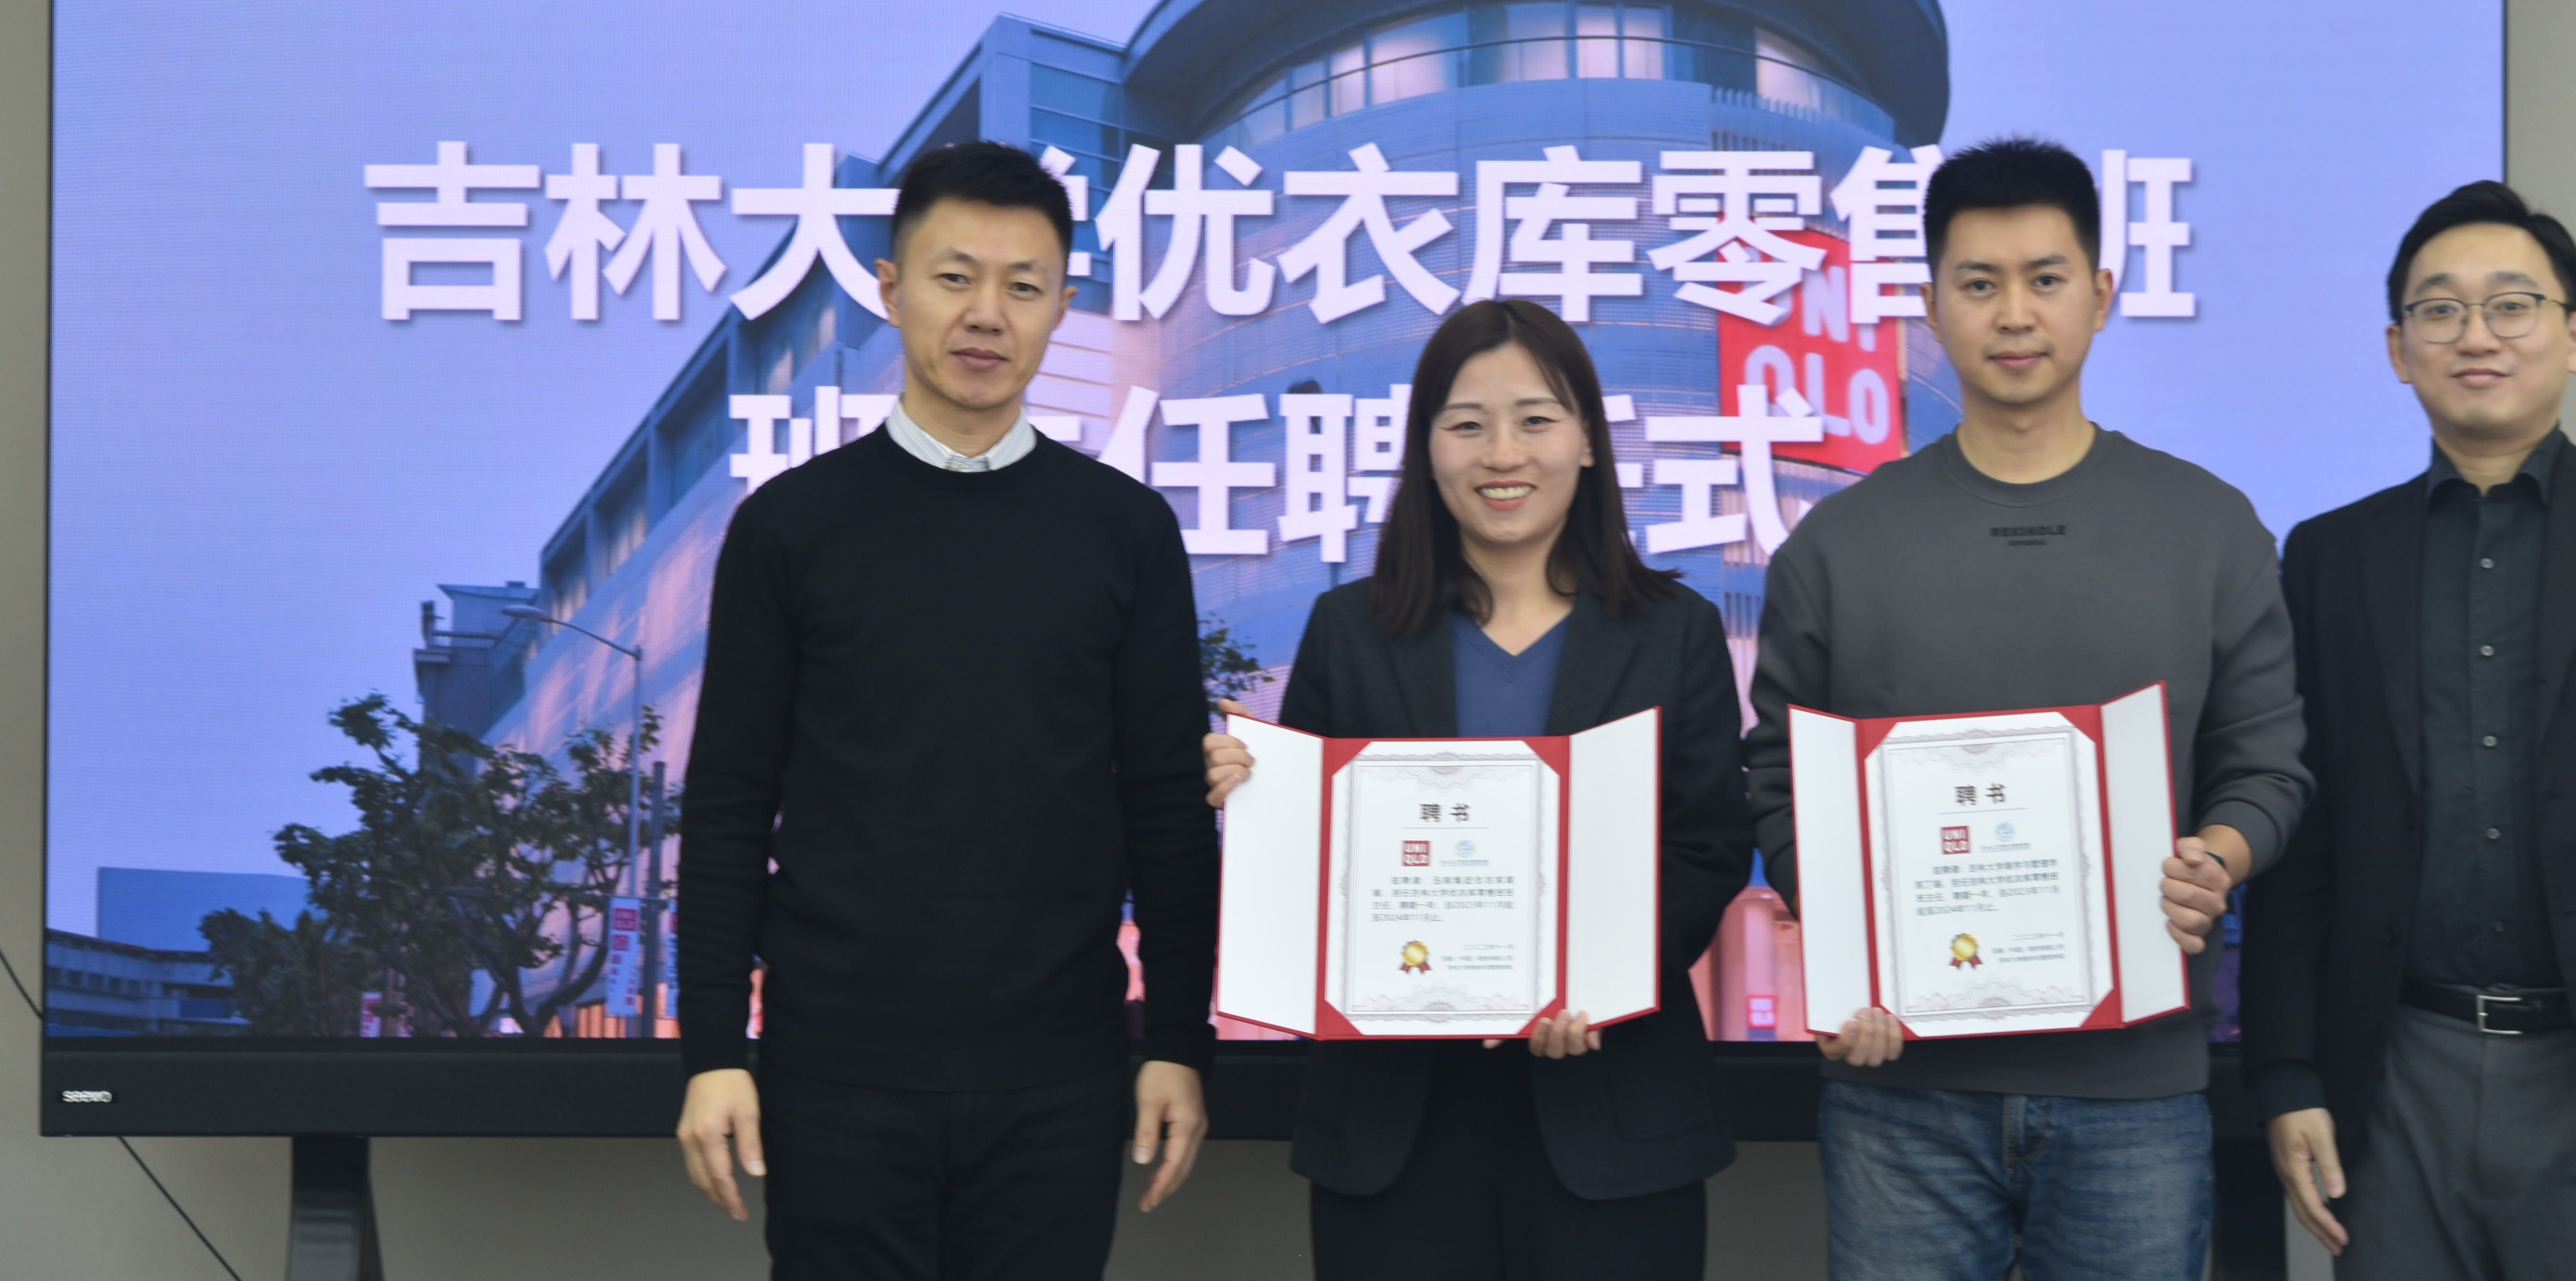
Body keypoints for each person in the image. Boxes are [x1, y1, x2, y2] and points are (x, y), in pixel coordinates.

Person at [1745, 135, 2311, 1281]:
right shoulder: (1839, 546)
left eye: (2044, 279)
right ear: (1928, 307)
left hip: (2135, 1087)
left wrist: (2217, 854)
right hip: (1902, 1090)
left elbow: (2266, 762)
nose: (2013, 313)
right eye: (1978, 282)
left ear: (2099, 295)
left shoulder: (2205, 526)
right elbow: (1776, 776)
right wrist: (1847, 935)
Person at [672, 140, 1219, 1280]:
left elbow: (1166, 803)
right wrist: (713, 1048)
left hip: (1060, 1076)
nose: (987, 314)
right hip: (835, 1074)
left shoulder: (1124, 531)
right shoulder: (790, 527)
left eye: (1024, 285)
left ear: (1061, 306)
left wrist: (1178, 1038)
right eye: (954, 276)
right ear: (891, 288)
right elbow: (727, 804)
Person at [2241, 180, 2576, 1278]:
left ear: (2574, 334)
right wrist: (2286, 1074)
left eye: (2510, 304)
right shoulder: (2330, 556)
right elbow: (2303, 840)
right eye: (2438, 310)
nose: (2474, 335)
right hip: (2394, 1075)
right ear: (2396, 349)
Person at [1203, 297, 1752, 1281]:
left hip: (1614, 1104)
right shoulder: (1349, 630)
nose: (1503, 454)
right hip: (1393, 1119)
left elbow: (1705, 846)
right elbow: (1310, 867)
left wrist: (1601, 978)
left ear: (1587, 441)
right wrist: (1252, 797)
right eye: (1467, 424)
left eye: (1536, 420)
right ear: (1426, 450)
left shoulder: (1674, 630)